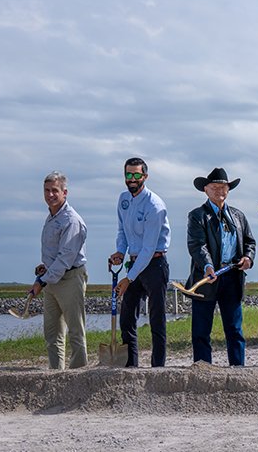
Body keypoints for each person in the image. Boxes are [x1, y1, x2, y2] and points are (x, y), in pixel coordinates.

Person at [186, 167, 256, 366]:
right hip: (207, 278)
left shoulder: (238, 216)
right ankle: (203, 370)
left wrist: (248, 257)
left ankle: (238, 370)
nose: (219, 191)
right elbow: (197, 245)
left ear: (228, 189)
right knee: (201, 330)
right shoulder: (197, 215)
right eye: (214, 187)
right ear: (206, 190)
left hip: (232, 277)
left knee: (235, 329)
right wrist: (208, 265)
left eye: (223, 187)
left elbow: (250, 242)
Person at [108, 157, 170, 367]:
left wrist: (128, 279)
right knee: (127, 319)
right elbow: (122, 231)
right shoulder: (123, 199)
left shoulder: (154, 205)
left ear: (145, 176)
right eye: (128, 174)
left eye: (136, 175)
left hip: (154, 264)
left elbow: (148, 248)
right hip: (134, 262)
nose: (132, 179)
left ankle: (158, 368)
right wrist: (120, 251)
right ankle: (130, 366)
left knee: (156, 320)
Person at [30, 171, 88, 369]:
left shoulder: (71, 220)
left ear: (65, 192)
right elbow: (55, 254)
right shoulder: (52, 216)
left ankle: (79, 374)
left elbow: (65, 258)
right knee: (52, 333)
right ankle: (56, 374)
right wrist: (45, 268)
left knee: (75, 332)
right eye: (47, 190)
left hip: (70, 279)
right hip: (51, 280)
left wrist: (41, 281)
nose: (50, 195)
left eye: (55, 190)